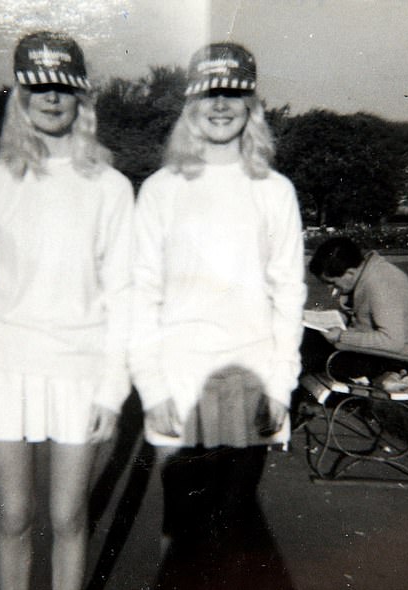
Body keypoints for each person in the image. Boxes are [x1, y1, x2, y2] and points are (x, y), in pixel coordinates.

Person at [0, 32, 133, 590]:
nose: (52, 98)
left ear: (82, 99)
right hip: (6, 369)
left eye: (64, 87)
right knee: (14, 516)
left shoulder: (109, 186)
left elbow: (124, 293)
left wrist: (113, 388)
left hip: (79, 371)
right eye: (39, 86)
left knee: (69, 515)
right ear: (21, 96)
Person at [128, 43, 306, 545]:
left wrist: (280, 383)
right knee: (181, 531)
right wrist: (152, 386)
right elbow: (140, 292)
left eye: (233, 92)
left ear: (251, 105)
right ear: (191, 105)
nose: (221, 104)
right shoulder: (161, 189)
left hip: (249, 382)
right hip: (180, 381)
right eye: (209, 93)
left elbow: (289, 294)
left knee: (233, 529)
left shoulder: (275, 190)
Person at [305, 236, 408, 384]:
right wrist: (331, 318)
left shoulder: (381, 283)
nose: (331, 289)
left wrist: (342, 336)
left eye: (332, 283)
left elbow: (392, 341)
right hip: (367, 353)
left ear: (350, 273)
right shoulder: (366, 275)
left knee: (297, 352)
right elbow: (364, 317)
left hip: (390, 361)